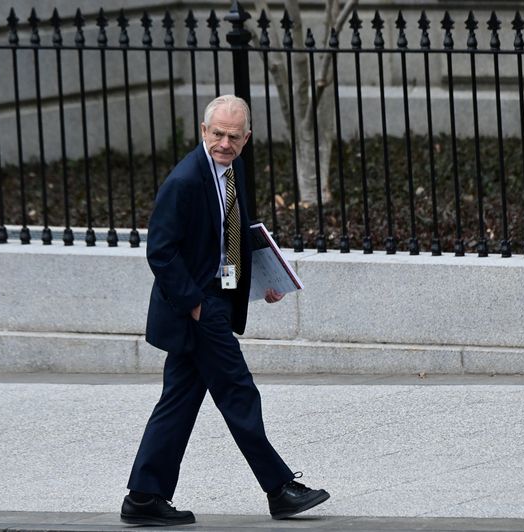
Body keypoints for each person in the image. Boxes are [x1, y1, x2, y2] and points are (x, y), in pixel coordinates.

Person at [121, 95, 330, 526]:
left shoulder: (228, 174)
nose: (224, 142)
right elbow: (160, 252)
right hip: (198, 308)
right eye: (217, 134)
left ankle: (143, 497)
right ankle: (279, 489)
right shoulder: (184, 180)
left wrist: (262, 283)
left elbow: (230, 238)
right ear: (203, 131)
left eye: (234, 136)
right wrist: (197, 305)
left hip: (213, 300)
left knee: (178, 402)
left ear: (246, 138)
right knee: (238, 393)